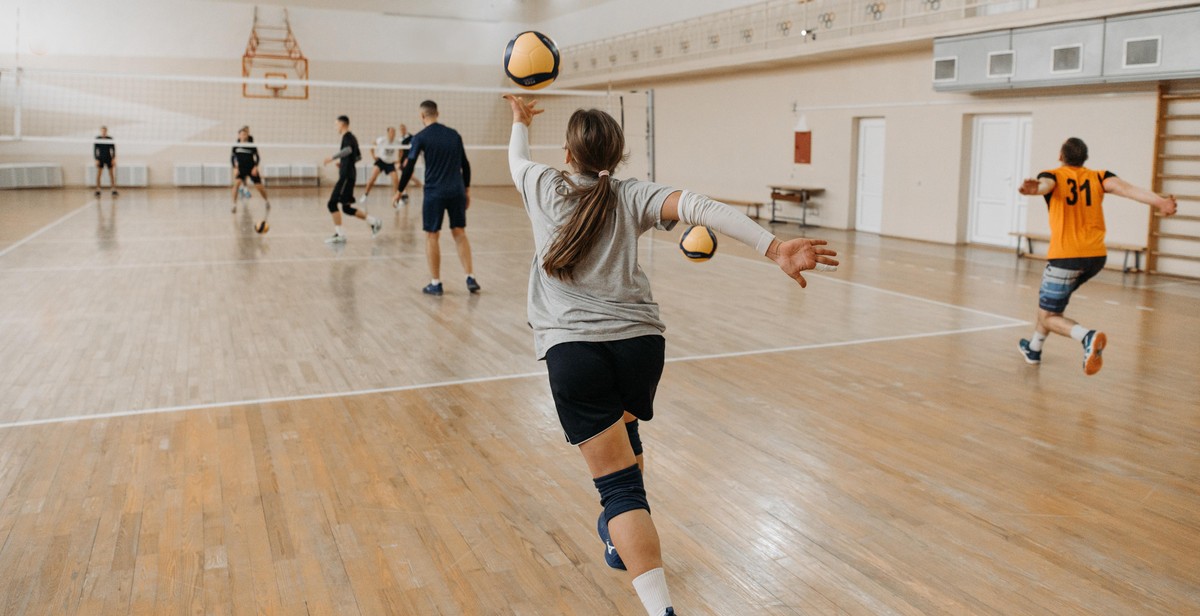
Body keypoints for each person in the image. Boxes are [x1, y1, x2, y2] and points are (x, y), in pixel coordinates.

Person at [503, 95, 838, 616]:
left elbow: (515, 158)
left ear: (568, 154)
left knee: (618, 490)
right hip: (641, 346)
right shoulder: (633, 194)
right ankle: (620, 539)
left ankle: (659, 606)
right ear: (618, 155)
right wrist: (773, 248)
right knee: (626, 433)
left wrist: (520, 121)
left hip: (575, 350)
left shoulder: (544, 185)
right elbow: (703, 207)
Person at [1017, 137, 1176, 375]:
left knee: (1050, 315)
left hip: (1066, 258)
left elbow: (1045, 186)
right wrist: (1160, 202)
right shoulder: (1099, 177)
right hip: (1096, 258)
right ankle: (1034, 349)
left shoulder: (1053, 175)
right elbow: (1128, 190)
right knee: (1048, 308)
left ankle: (1087, 337)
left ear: (1061, 156)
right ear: (1085, 159)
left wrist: (1034, 190)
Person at [397, 101, 477, 295]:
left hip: (435, 192)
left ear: (422, 116)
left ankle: (436, 282)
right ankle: (470, 277)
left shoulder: (420, 137)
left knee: (432, 235)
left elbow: (409, 166)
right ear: (437, 113)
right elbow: (465, 165)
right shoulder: (454, 134)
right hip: (456, 190)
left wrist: (399, 189)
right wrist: (466, 190)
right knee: (460, 233)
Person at [322, 115, 382, 244]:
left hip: (346, 176)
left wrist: (333, 158)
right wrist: (344, 162)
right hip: (349, 174)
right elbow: (358, 157)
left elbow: (348, 150)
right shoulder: (353, 137)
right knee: (346, 208)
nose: (335, 127)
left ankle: (340, 235)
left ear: (342, 124)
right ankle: (374, 222)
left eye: (336, 124)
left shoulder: (347, 137)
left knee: (332, 203)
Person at [360, 125, 403, 207]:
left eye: (394, 132)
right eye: (391, 132)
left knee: (395, 179)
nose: (393, 134)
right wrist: (373, 156)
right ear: (388, 133)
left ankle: (397, 199)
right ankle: (365, 195)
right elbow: (372, 145)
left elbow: (401, 150)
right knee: (372, 178)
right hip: (381, 161)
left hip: (390, 163)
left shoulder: (397, 142)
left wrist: (399, 160)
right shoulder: (382, 140)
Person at [230, 126, 270, 213]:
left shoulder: (252, 145)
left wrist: (255, 167)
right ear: (239, 135)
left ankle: (266, 201)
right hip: (241, 169)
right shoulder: (235, 146)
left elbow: (258, 157)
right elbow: (232, 158)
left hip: (251, 168)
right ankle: (234, 205)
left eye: (246, 134)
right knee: (236, 185)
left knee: (259, 187)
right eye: (242, 134)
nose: (244, 135)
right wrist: (235, 168)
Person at [93, 126, 117, 197]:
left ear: (106, 131)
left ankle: (113, 190)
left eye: (105, 131)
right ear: (101, 131)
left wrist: (113, 159)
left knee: (111, 174)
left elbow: (113, 149)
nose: (103, 132)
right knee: (99, 174)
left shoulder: (110, 139)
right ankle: (98, 190)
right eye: (102, 131)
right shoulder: (98, 139)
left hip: (108, 158)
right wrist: (96, 159)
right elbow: (95, 150)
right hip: (100, 158)